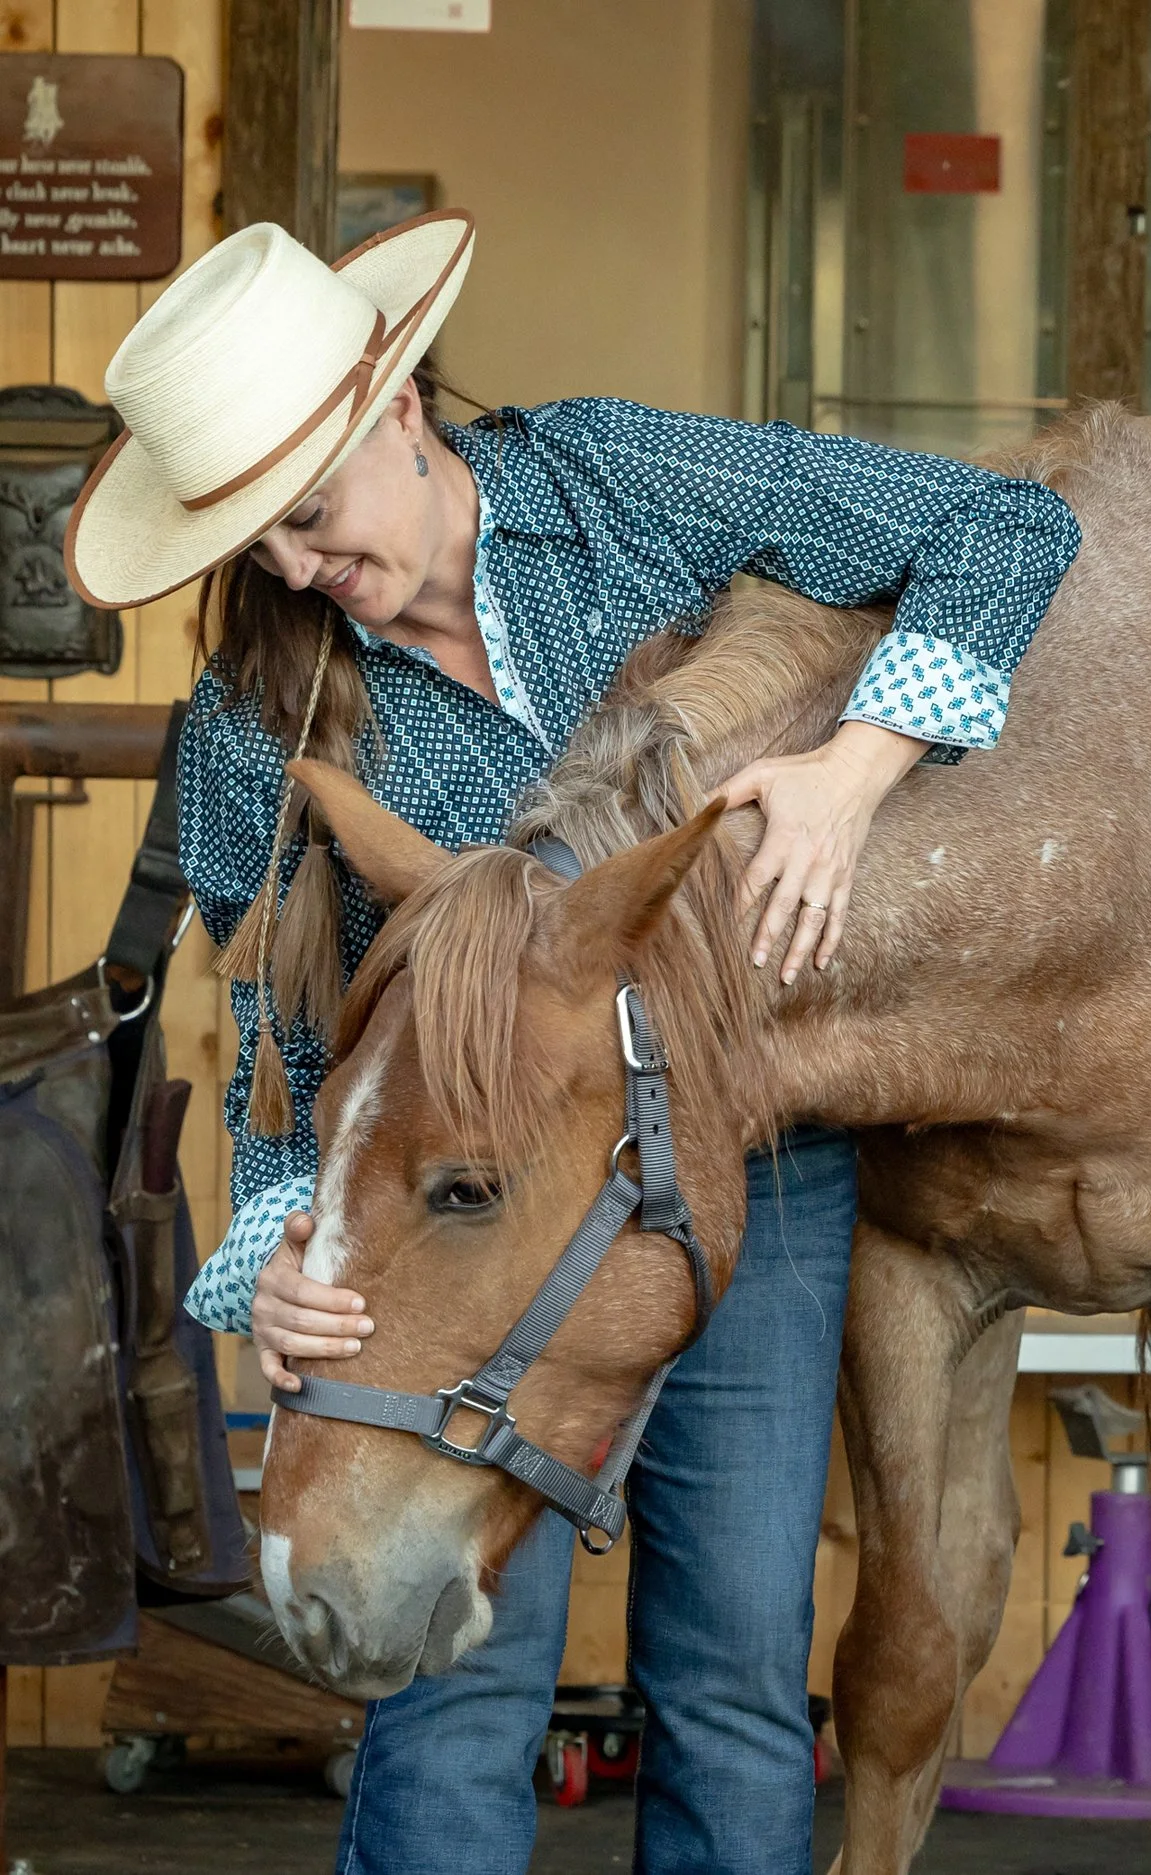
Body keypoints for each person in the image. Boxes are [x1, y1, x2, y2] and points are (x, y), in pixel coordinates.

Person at [64, 211, 1080, 1875]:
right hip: (461, 1201)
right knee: (459, 1682)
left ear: (400, 407)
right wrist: (283, 1248)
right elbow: (275, 1048)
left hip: (746, 1160)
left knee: (735, 1670)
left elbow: (1004, 526)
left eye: (307, 513)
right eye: (257, 542)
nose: (297, 570)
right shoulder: (258, 713)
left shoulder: (615, 480)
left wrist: (858, 769)